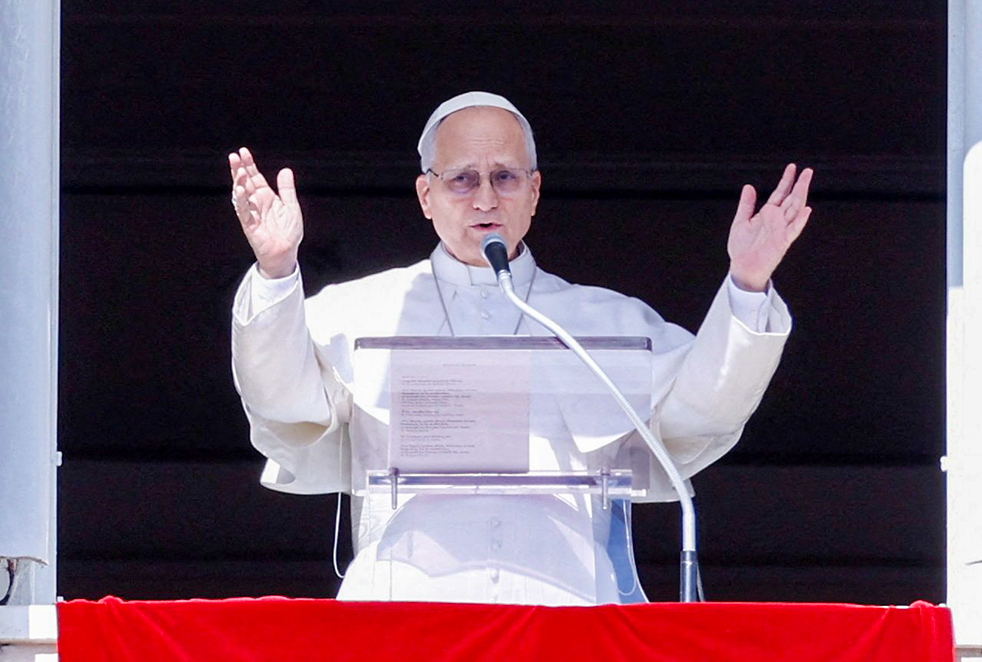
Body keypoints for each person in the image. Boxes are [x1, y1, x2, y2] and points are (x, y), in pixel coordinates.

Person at [228, 91, 813, 605]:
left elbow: (700, 412)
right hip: (402, 615)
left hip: (567, 616)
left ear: (534, 192)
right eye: (462, 179)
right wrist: (276, 271)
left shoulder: (605, 322)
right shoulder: (359, 312)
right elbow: (284, 403)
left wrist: (747, 284)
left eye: (505, 178)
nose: (485, 199)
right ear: (426, 195)